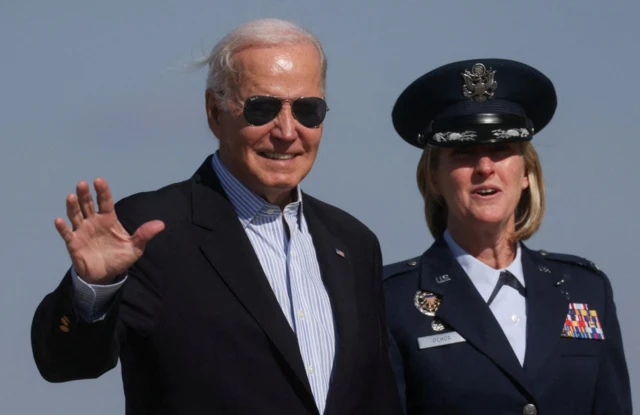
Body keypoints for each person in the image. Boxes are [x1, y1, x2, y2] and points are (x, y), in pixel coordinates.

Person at [31, 18, 401, 415]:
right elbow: (64, 363)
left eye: (308, 110)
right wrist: (93, 289)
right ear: (214, 112)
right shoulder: (150, 230)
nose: (287, 131)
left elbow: (376, 396)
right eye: (263, 108)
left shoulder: (354, 242)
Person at [383, 59, 632, 415]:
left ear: (527, 172)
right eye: (464, 153)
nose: (485, 167)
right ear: (435, 179)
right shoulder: (390, 300)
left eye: (501, 150)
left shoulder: (586, 290)